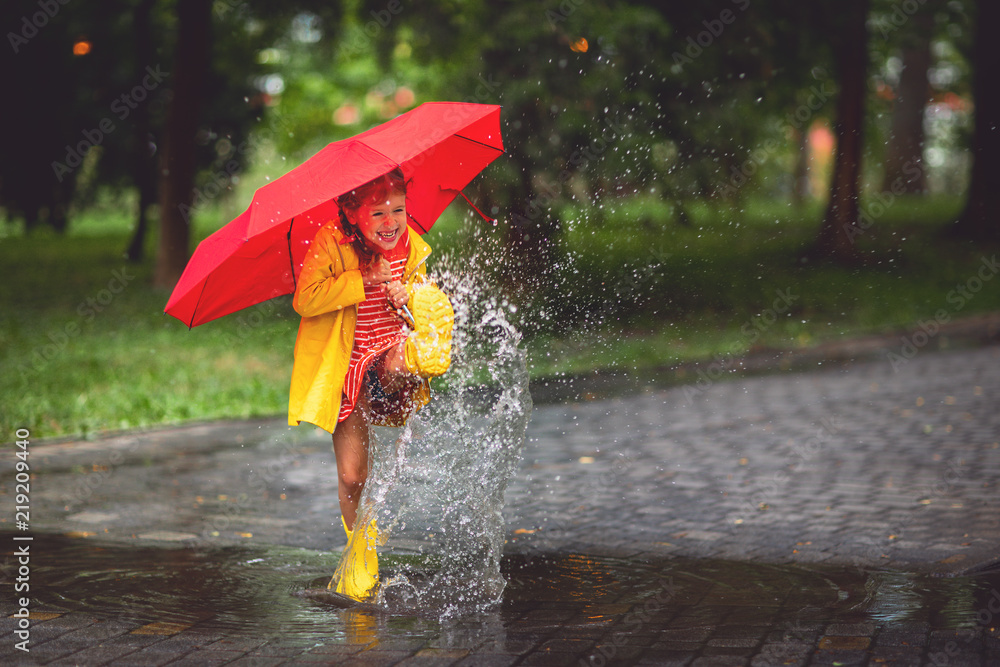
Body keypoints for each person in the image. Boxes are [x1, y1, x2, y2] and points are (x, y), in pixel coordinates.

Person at [287, 167, 454, 600]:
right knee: (352, 474)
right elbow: (305, 298)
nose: (390, 222)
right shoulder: (331, 242)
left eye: (398, 210)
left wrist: (410, 296)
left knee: (401, 359)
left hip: (388, 358)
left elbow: (418, 289)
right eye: (377, 212)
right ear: (352, 212)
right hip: (348, 369)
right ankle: (360, 546)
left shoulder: (409, 244)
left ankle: (420, 361)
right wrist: (364, 280)